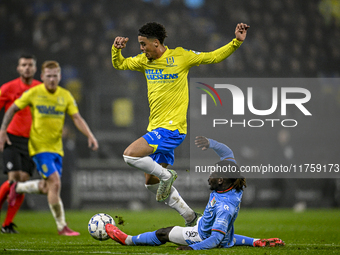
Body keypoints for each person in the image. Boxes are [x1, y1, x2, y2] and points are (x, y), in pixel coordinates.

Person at [111, 22, 249, 226]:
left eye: (143, 44)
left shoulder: (181, 56)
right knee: (151, 184)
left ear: (156, 43)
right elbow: (120, 64)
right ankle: (191, 217)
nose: (141, 48)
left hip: (172, 128)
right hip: (156, 128)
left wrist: (236, 42)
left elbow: (212, 57)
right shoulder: (143, 61)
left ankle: (167, 175)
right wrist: (116, 50)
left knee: (129, 155)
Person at [105, 136, 285, 250]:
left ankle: (127, 240)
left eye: (213, 175)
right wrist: (211, 144)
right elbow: (227, 152)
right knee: (223, 235)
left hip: (202, 235)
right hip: (213, 228)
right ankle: (193, 218)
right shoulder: (230, 179)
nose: (209, 177)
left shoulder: (225, 206)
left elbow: (215, 239)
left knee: (164, 233)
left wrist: (193, 249)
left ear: (221, 180)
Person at [0, 60, 99, 236]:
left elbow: (76, 118)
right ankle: (62, 226)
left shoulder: (65, 95)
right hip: (39, 147)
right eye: (49, 76)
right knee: (55, 183)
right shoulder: (34, 93)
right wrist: (3, 131)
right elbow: (11, 109)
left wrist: (90, 135)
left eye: (55, 76)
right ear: (42, 77)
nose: (52, 79)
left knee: (48, 187)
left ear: (60, 77)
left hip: (56, 149)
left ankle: (18, 188)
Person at [0, 54, 41, 233]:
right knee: (14, 178)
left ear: (35, 68)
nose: (27, 68)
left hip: (32, 141)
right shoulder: (8, 88)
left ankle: (7, 224)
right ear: (18, 68)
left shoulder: (41, 88)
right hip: (12, 138)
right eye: (23, 65)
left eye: (30, 65)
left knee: (23, 181)